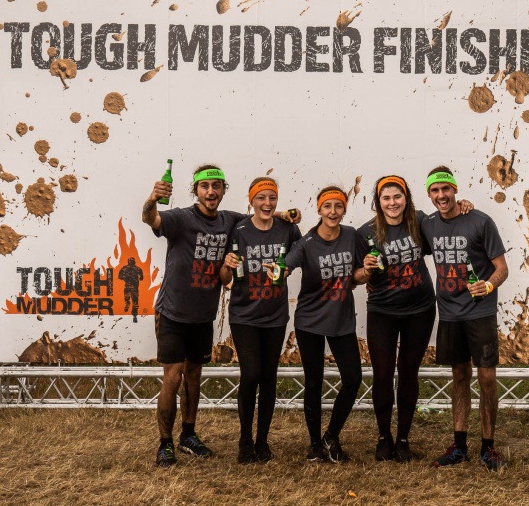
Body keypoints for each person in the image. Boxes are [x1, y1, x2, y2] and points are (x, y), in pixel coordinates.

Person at [142, 163, 297, 468]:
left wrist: (285, 214)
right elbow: (151, 218)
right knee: (172, 377)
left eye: (216, 187)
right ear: (196, 190)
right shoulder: (181, 217)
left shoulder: (230, 220)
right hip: (172, 311)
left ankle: (188, 435)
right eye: (205, 186)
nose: (211, 192)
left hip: (203, 315)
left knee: (194, 375)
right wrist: (151, 199)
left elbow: (260, 214)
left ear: (224, 190)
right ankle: (165, 444)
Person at [356, 175, 473, 462]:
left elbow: (448, 224)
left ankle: (404, 439)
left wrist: (463, 206)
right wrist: (366, 271)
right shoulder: (365, 232)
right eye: (386, 198)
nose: (392, 202)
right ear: (378, 202)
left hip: (420, 310)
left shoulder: (420, 221)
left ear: (406, 198)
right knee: (382, 374)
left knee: (409, 371)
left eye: (397, 196)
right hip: (382, 311)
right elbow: (355, 277)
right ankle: (384, 438)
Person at [420, 166, 509, 471]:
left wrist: (488, 285)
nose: (441, 195)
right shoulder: (428, 225)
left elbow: (502, 269)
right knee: (459, 376)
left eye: (445, 189)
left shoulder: (480, 221)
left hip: (480, 313)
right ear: (429, 194)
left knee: (487, 378)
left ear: (455, 189)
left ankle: (488, 447)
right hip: (449, 313)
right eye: (435, 190)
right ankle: (459, 447)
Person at [275, 186, 367, 463]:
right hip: (310, 321)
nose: (333, 211)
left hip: (341, 319)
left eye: (338, 206)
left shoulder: (351, 235)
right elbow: (286, 266)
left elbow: (357, 275)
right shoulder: (307, 242)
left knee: (353, 379)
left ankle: (331, 436)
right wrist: (279, 271)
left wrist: (366, 272)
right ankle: (315, 444)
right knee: (314, 382)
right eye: (327, 206)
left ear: (344, 209)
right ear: (319, 209)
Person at [219, 177, 302, 463]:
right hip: (244, 314)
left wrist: (287, 267)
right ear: (251, 200)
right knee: (251, 373)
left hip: (275, 315)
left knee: (268, 377)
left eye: (272, 198)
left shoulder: (287, 228)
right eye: (261, 198)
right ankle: (245, 440)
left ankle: (262, 441)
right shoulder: (239, 229)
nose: (267, 203)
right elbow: (224, 277)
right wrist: (227, 266)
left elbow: (302, 250)